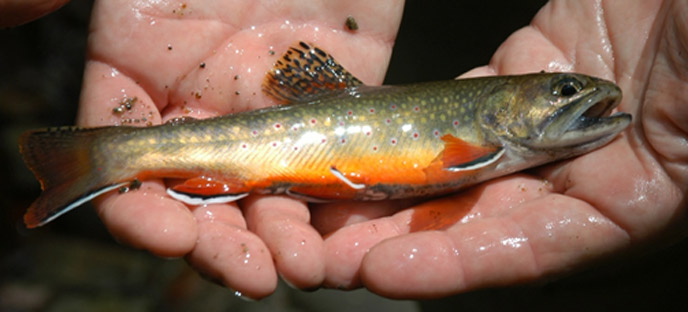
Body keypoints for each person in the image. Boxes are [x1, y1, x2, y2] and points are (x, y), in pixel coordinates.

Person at [5, 0, 687, 300]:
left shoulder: (489, 140)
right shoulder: (474, 145)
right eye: (564, 90)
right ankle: (110, 157)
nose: (585, 96)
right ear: (499, 109)